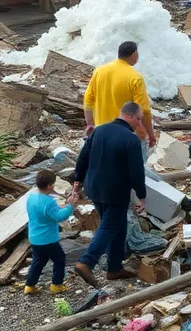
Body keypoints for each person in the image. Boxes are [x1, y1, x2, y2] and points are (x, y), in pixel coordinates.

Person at [73, 101, 149, 285]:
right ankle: (87, 262)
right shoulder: (131, 140)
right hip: (115, 190)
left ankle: (114, 268)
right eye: (138, 119)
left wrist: (78, 179)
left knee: (119, 226)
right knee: (109, 226)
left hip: (94, 187)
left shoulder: (100, 130)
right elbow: (136, 172)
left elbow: (84, 156)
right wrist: (142, 194)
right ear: (129, 115)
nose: (138, 123)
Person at [84, 40, 156, 150]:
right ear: (134, 54)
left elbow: (88, 100)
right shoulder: (135, 77)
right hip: (126, 134)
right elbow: (144, 110)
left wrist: (90, 124)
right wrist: (150, 134)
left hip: (102, 132)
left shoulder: (99, 71)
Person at [24, 169, 78, 295]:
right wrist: (71, 206)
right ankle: (56, 285)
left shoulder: (31, 197)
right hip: (48, 238)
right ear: (49, 185)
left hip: (34, 237)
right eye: (53, 184)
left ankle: (30, 285)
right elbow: (60, 217)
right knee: (59, 259)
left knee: (38, 261)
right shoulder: (49, 202)